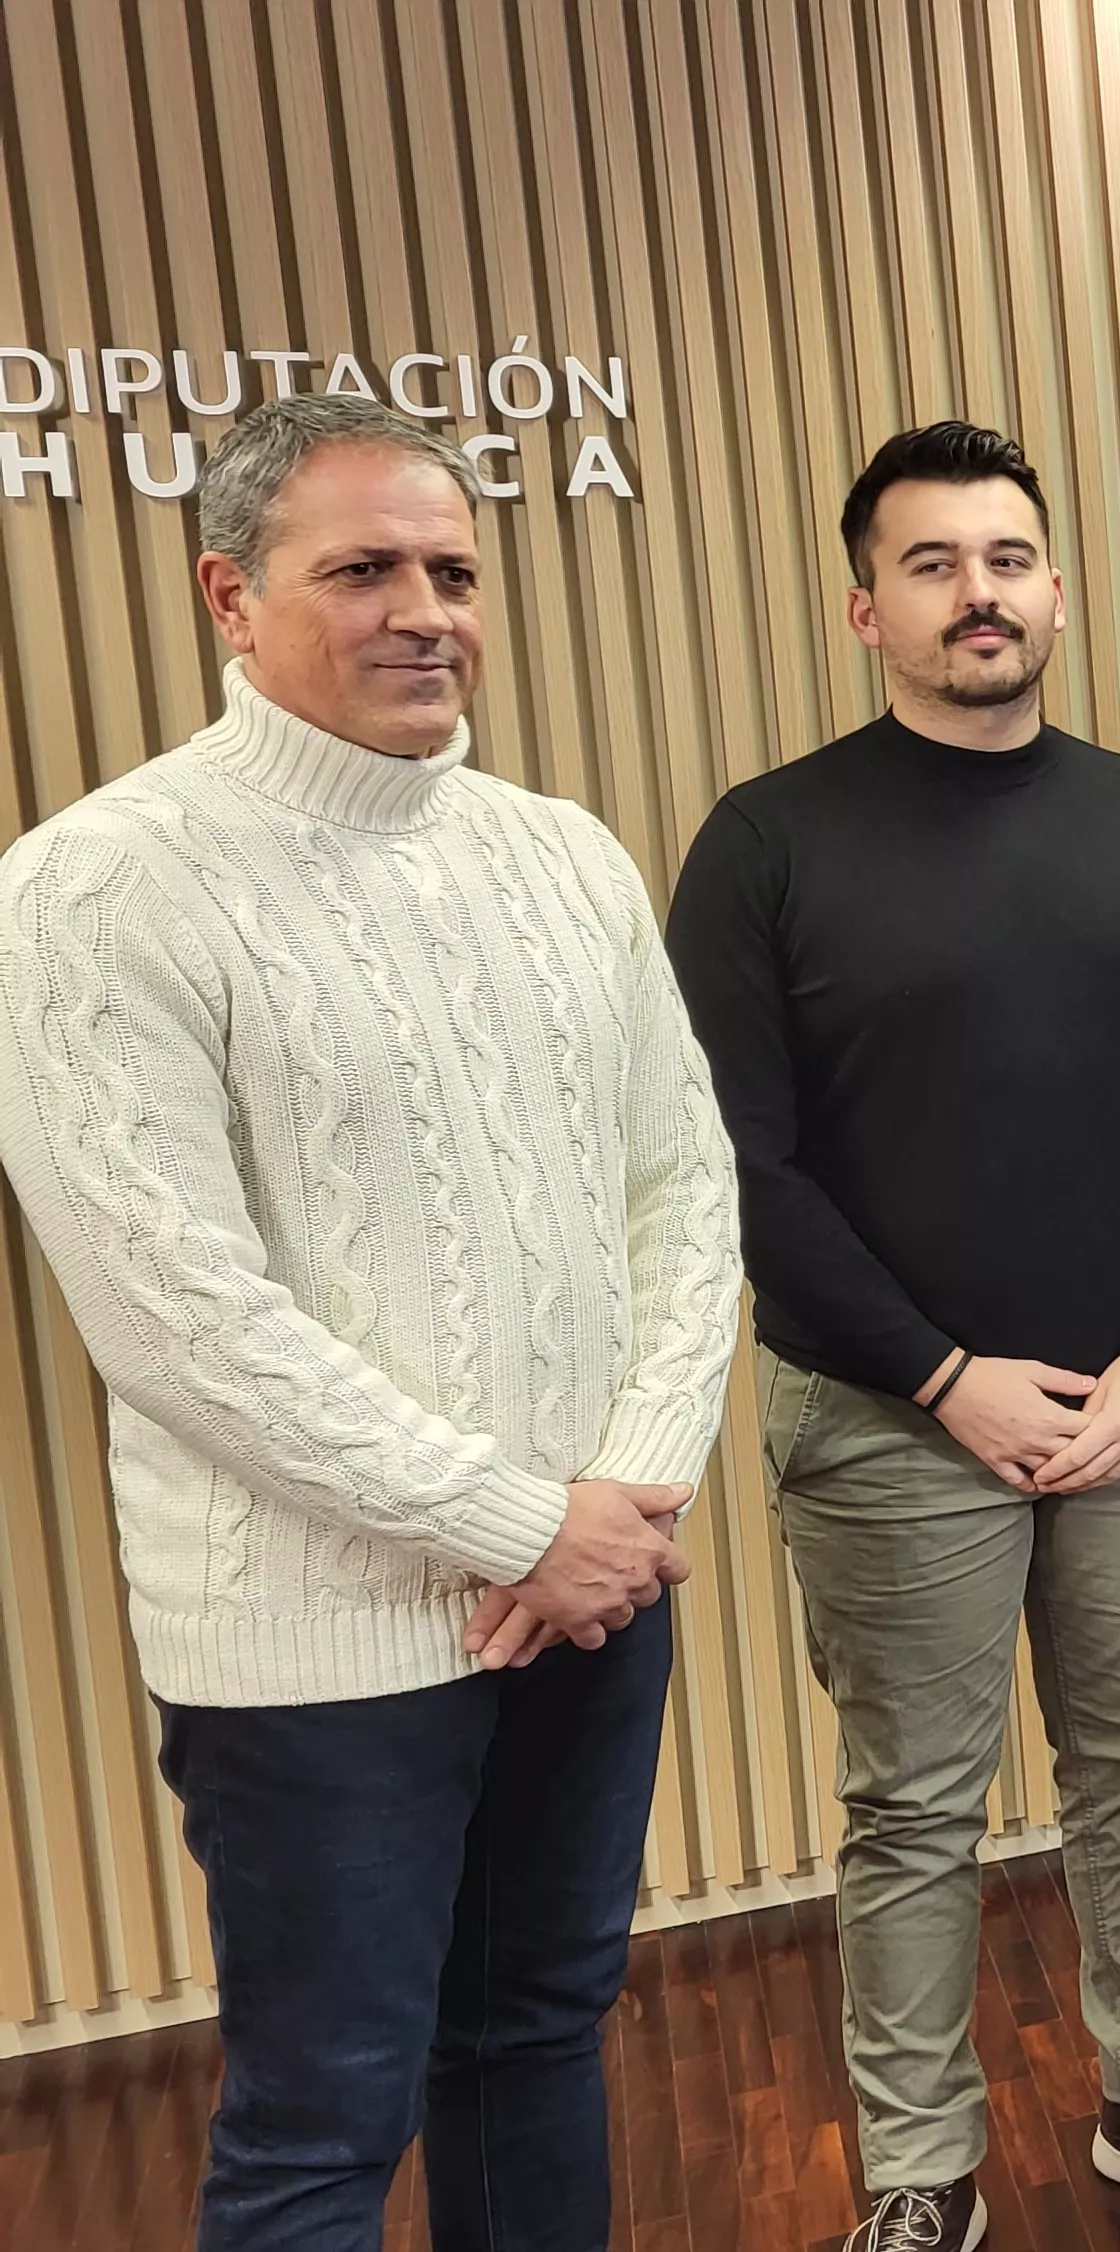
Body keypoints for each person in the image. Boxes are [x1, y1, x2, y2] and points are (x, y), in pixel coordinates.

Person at [0, 391, 740, 2250]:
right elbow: (179, 1313)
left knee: (535, 2041)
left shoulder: (565, 852)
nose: (427, 608)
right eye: (366, 570)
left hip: (593, 1591)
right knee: (325, 2120)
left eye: (454, 569)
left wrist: (632, 1492)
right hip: (319, 1647)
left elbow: (686, 1186)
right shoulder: (87, 890)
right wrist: (521, 1525)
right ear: (231, 598)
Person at [664, 423, 1120, 2250]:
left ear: (1059, 591)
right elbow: (738, 1162)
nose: (978, 592)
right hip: (883, 1413)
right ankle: (921, 2169)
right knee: (915, 1808)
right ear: (868, 609)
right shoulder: (768, 841)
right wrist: (947, 1378)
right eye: (931, 564)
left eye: (1006, 556)